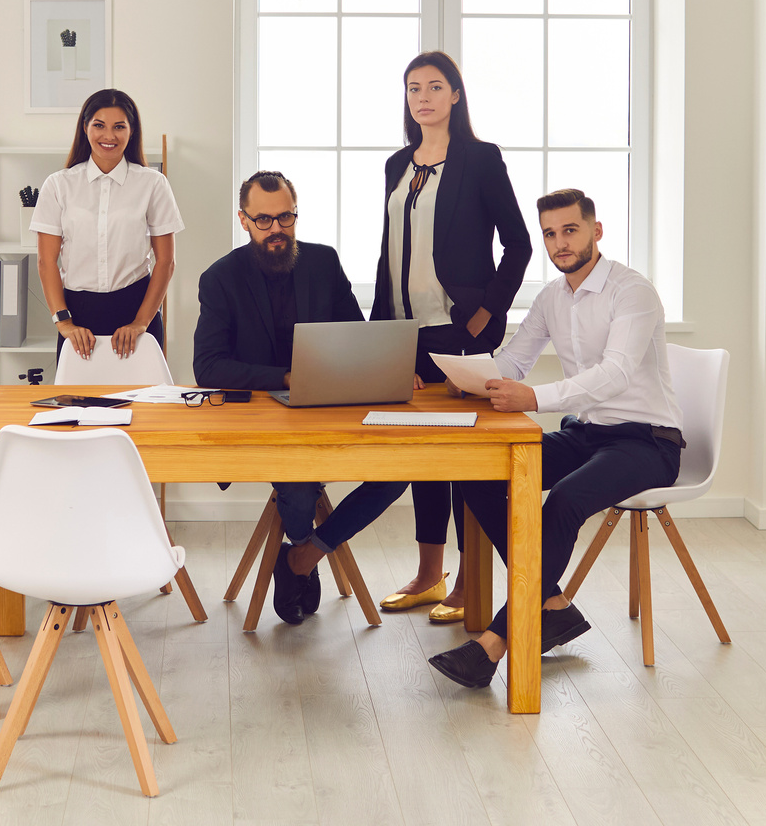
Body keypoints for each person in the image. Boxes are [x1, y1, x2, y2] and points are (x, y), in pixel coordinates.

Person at [428, 189, 684, 688]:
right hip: (587, 434)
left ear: (596, 231)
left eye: (570, 230)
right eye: (550, 233)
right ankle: (552, 603)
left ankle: (494, 643)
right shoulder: (552, 296)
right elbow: (513, 361)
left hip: (648, 442)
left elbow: (615, 373)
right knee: (478, 473)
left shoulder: (632, 292)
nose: (560, 243)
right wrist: (465, 377)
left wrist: (533, 399)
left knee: (563, 500)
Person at [192, 171, 407, 625]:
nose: (276, 229)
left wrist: (389, 369)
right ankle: (300, 559)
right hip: (261, 422)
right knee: (298, 474)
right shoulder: (220, 279)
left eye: (285, 217)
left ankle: (301, 558)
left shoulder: (323, 262)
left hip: (328, 411)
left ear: (295, 214)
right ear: (244, 220)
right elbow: (208, 367)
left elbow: (356, 337)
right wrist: (285, 376)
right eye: (264, 219)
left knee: (400, 470)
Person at [373, 51, 532, 624]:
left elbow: (518, 244)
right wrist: (383, 334)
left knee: (465, 457)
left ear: (455, 95)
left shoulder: (480, 159)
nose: (424, 97)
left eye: (435, 86)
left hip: (460, 328)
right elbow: (390, 251)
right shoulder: (397, 164)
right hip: (404, 327)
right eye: (414, 87)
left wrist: (486, 313)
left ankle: (470, 579)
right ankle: (428, 573)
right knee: (422, 454)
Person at [31, 89, 183, 363]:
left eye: (119, 127)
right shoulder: (58, 185)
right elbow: (46, 261)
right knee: (77, 404)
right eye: (99, 125)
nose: (109, 136)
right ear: (85, 128)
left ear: (132, 131)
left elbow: (166, 262)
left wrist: (140, 322)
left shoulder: (153, 184)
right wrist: (63, 322)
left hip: (137, 313)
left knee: (145, 403)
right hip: (78, 319)